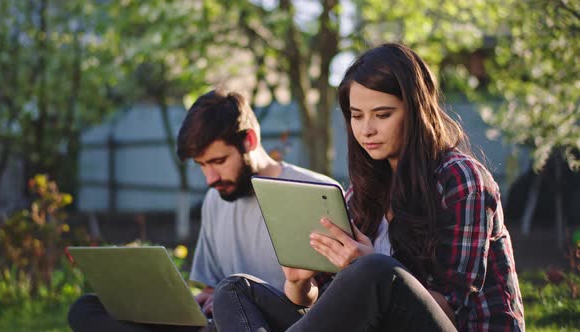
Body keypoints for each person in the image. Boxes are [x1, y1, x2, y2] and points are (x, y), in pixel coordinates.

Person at [212, 43, 525, 331]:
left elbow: (451, 311)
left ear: (416, 111)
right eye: (356, 116)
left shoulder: (461, 178)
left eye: (383, 115)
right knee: (235, 290)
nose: (366, 130)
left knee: (375, 268)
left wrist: (365, 267)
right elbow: (318, 300)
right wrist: (299, 283)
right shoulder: (360, 193)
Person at [67, 90, 339, 332]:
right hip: (218, 322)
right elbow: (212, 288)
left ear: (250, 140)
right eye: (201, 165)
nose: (210, 178)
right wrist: (192, 301)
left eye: (219, 161)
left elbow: (334, 304)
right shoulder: (215, 199)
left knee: (231, 293)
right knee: (87, 308)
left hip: (277, 322)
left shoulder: (314, 190)